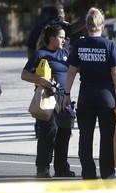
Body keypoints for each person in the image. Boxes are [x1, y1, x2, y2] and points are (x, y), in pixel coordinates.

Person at [63, 7, 116, 180]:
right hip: (106, 95)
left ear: (87, 26)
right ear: (102, 26)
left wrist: (67, 93)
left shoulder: (80, 45)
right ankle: (107, 172)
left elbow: (72, 71)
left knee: (85, 135)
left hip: (86, 94)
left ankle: (88, 172)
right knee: (106, 136)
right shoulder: (110, 45)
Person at [21, 24, 75, 178]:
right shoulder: (40, 54)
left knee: (65, 132)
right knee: (49, 132)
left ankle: (61, 167)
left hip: (65, 98)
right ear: (52, 38)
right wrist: (41, 80)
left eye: (64, 38)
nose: (63, 40)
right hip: (48, 98)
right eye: (61, 37)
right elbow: (24, 74)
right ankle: (43, 168)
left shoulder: (65, 53)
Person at [26, 4, 85, 138]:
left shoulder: (39, 28)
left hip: (55, 88)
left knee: (44, 106)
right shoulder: (61, 28)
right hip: (53, 89)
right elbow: (79, 26)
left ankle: (40, 131)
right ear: (60, 15)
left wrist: (35, 66)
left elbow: (29, 47)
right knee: (52, 130)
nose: (63, 40)